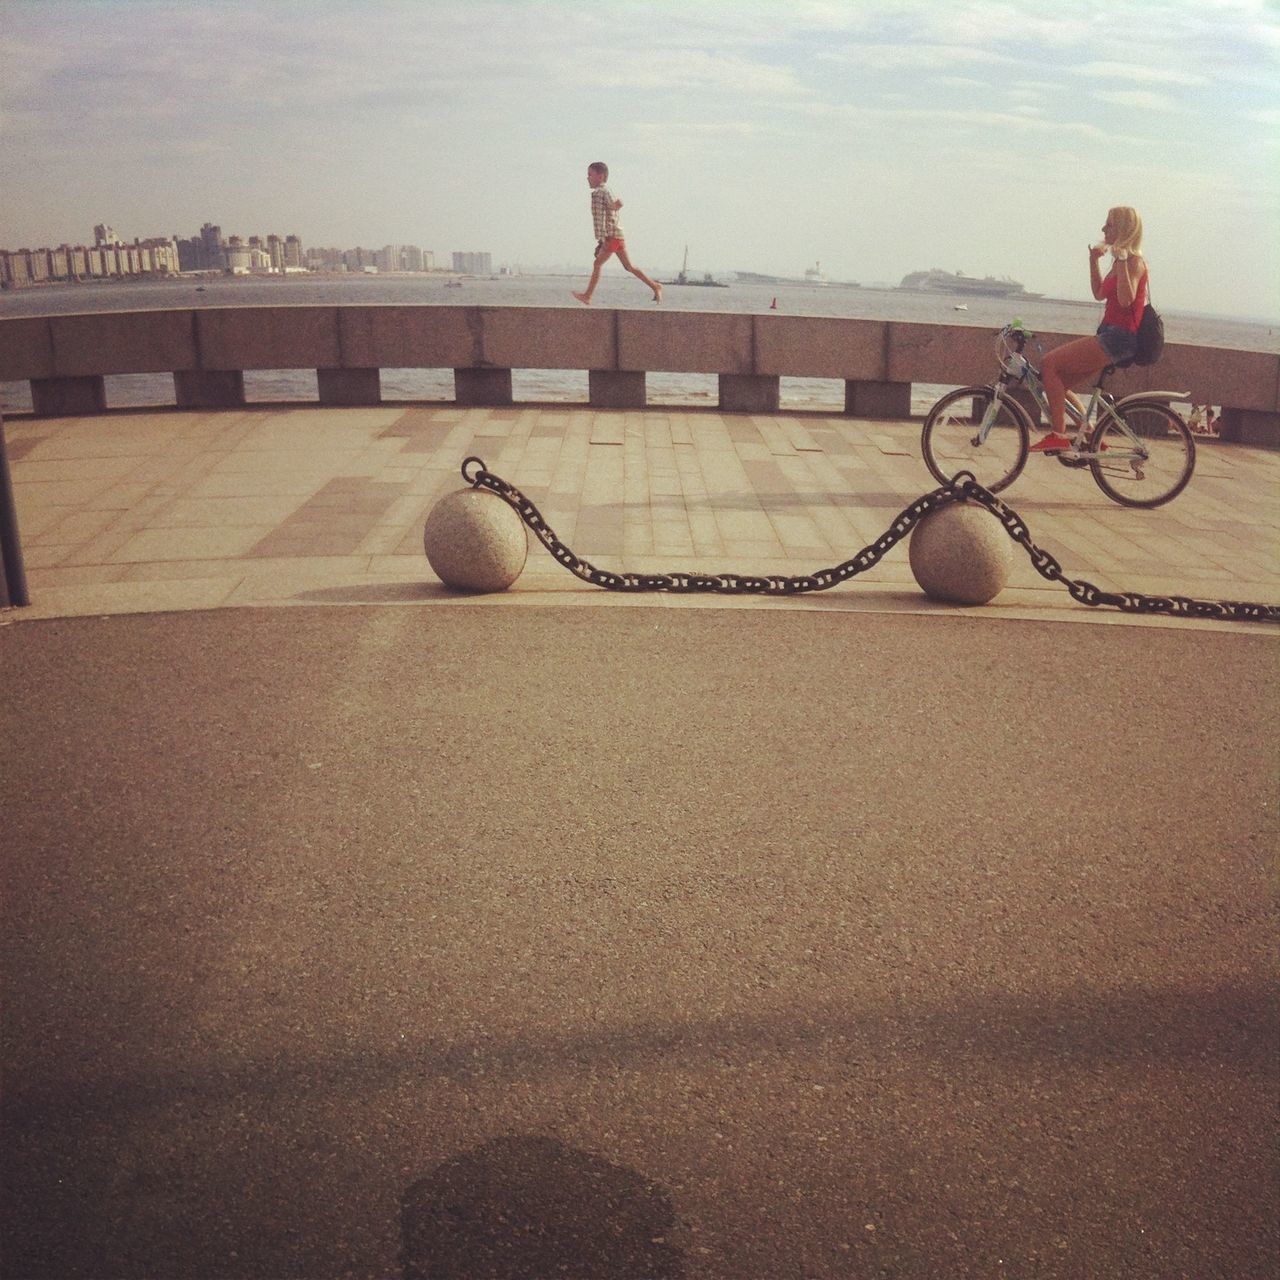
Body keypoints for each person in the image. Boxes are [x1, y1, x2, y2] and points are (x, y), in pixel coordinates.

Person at [1032, 207, 1148, 453]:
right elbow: (1098, 294)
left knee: (1049, 364)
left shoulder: (1134, 262)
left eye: (1109, 225)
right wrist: (1093, 260)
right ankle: (1094, 437)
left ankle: (1059, 435)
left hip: (1119, 337)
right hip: (1109, 333)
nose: (1103, 229)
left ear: (1124, 230)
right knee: (1058, 383)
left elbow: (1127, 300)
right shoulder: (1118, 262)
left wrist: (1125, 260)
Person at [572, 162, 662, 306]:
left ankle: (588, 296)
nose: (587, 178)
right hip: (616, 236)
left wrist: (605, 238)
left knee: (597, 264)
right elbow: (611, 209)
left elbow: (611, 210)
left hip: (612, 237)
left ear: (600, 177)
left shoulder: (600, 192)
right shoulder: (603, 192)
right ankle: (655, 286)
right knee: (629, 267)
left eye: (590, 174)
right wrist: (601, 241)